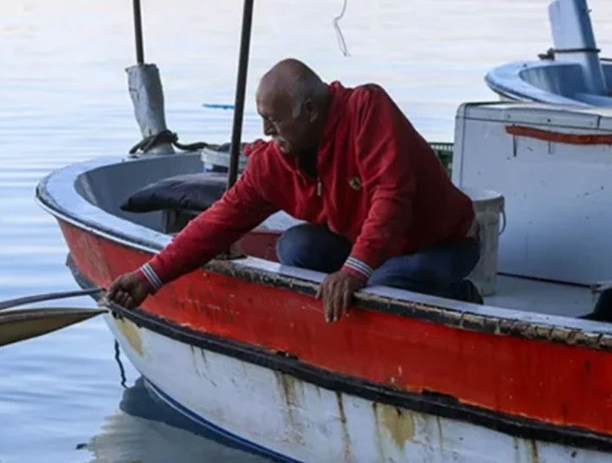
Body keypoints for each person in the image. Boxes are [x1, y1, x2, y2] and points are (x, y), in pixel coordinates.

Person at [106, 58, 481, 322]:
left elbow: (392, 196)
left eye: (275, 120)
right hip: (369, 246)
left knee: (384, 284)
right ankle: (329, 327)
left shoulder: (367, 109)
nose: (268, 132)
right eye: (263, 120)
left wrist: (354, 270)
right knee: (294, 246)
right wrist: (148, 278)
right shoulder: (274, 162)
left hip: (442, 243)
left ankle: (460, 297)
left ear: (311, 110)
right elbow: (218, 222)